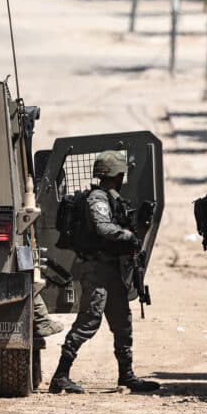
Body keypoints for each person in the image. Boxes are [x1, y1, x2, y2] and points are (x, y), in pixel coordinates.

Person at [48, 150, 160, 394]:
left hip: (112, 270)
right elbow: (102, 227)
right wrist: (128, 235)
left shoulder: (113, 197)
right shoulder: (98, 198)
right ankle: (60, 376)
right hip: (97, 269)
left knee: (122, 324)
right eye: (121, 173)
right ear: (115, 174)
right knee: (89, 320)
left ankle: (127, 376)